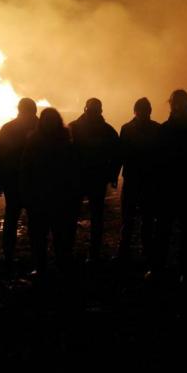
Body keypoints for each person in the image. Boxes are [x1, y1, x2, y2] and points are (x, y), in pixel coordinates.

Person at [152, 89, 187, 281]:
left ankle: (160, 270)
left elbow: (158, 160)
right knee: (186, 231)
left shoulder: (166, 129)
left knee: (165, 230)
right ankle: (186, 271)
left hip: (171, 187)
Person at [19, 108, 80, 275]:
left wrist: (26, 194)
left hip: (45, 197)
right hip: (55, 197)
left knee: (42, 235)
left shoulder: (35, 142)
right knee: (58, 235)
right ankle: (59, 266)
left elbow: (25, 169)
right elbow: (74, 171)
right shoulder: (66, 142)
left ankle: (43, 267)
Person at [68, 98, 120, 261]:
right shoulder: (107, 130)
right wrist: (112, 175)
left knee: (72, 216)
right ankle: (93, 253)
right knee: (96, 217)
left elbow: (63, 153)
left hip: (78, 179)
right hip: (95, 179)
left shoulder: (73, 127)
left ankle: (69, 252)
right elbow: (117, 154)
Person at [0, 98, 39, 269]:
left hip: (13, 182)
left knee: (11, 219)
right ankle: (37, 257)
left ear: (19, 109)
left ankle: (8, 256)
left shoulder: (9, 128)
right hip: (36, 184)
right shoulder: (43, 128)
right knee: (36, 222)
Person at [117, 97, 161, 263]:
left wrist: (114, 174)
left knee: (129, 218)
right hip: (148, 180)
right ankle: (147, 252)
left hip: (133, 179)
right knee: (146, 218)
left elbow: (121, 154)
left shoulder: (127, 129)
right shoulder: (157, 129)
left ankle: (124, 252)